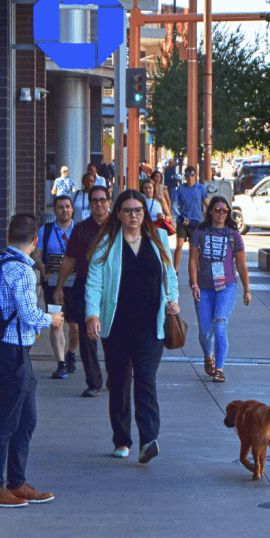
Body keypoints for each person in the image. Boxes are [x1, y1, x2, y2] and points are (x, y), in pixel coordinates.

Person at [85, 189, 180, 463]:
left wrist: (172, 300)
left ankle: (148, 439)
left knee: (146, 379)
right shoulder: (107, 243)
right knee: (120, 382)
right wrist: (92, 315)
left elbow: (170, 276)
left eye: (138, 210)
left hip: (151, 325)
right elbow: (93, 283)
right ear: (119, 213)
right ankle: (122, 439)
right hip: (117, 326)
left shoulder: (158, 238)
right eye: (128, 211)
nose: (134, 215)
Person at [0, 214, 63, 508]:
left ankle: (16, 482)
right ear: (35, 241)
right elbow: (29, 315)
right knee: (7, 422)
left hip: (6, 351)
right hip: (12, 352)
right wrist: (51, 319)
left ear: (7, 238)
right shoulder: (23, 271)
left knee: (26, 419)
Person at [55, 185, 111, 398]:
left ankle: (114, 377)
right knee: (89, 337)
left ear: (109, 201)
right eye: (95, 200)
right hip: (86, 287)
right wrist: (59, 287)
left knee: (113, 336)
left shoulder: (118, 226)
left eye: (102, 200)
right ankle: (94, 382)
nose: (99, 204)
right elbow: (69, 260)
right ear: (89, 204)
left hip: (113, 288)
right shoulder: (81, 229)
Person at [187, 196, 251, 383]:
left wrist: (247, 289)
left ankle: (220, 368)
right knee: (205, 331)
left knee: (220, 326)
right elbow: (192, 260)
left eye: (225, 211)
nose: (221, 213)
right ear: (210, 212)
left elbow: (241, 263)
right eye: (217, 210)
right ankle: (208, 355)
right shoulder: (200, 232)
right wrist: (194, 284)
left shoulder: (233, 235)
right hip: (204, 288)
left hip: (227, 288)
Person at [31, 195, 78, 379]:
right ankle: (61, 363)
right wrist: (42, 268)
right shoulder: (45, 231)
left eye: (67, 206)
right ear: (55, 210)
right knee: (56, 322)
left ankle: (71, 354)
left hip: (75, 284)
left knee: (75, 325)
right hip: (52, 285)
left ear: (72, 209)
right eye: (60, 207)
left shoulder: (79, 230)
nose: (64, 210)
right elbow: (36, 255)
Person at [172, 166, 210, 271]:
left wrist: (209, 219)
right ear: (185, 176)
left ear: (195, 175)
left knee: (193, 249)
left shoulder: (201, 188)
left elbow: (208, 204)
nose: (190, 178)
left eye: (192, 175)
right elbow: (174, 206)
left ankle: (194, 272)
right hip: (183, 221)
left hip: (195, 222)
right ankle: (175, 271)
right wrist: (180, 216)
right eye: (187, 175)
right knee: (179, 245)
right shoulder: (180, 188)